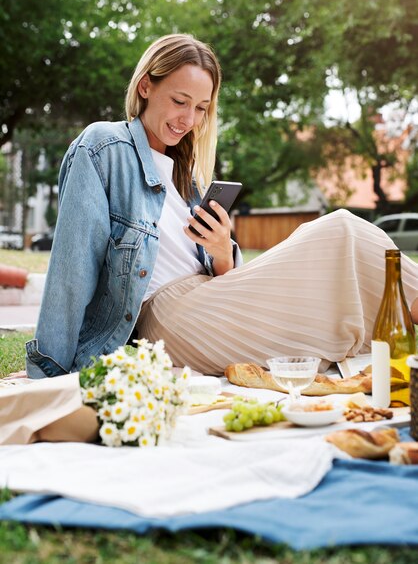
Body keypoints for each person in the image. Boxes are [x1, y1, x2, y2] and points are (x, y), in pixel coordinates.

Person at [23, 33, 418, 379]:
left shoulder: (189, 176)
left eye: (201, 108)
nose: (189, 119)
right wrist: (49, 370)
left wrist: (220, 250)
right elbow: (72, 267)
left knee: (349, 279)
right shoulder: (104, 147)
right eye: (180, 101)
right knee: (342, 229)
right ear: (145, 86)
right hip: (172, 317)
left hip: (213, 297)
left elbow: (220, 273)